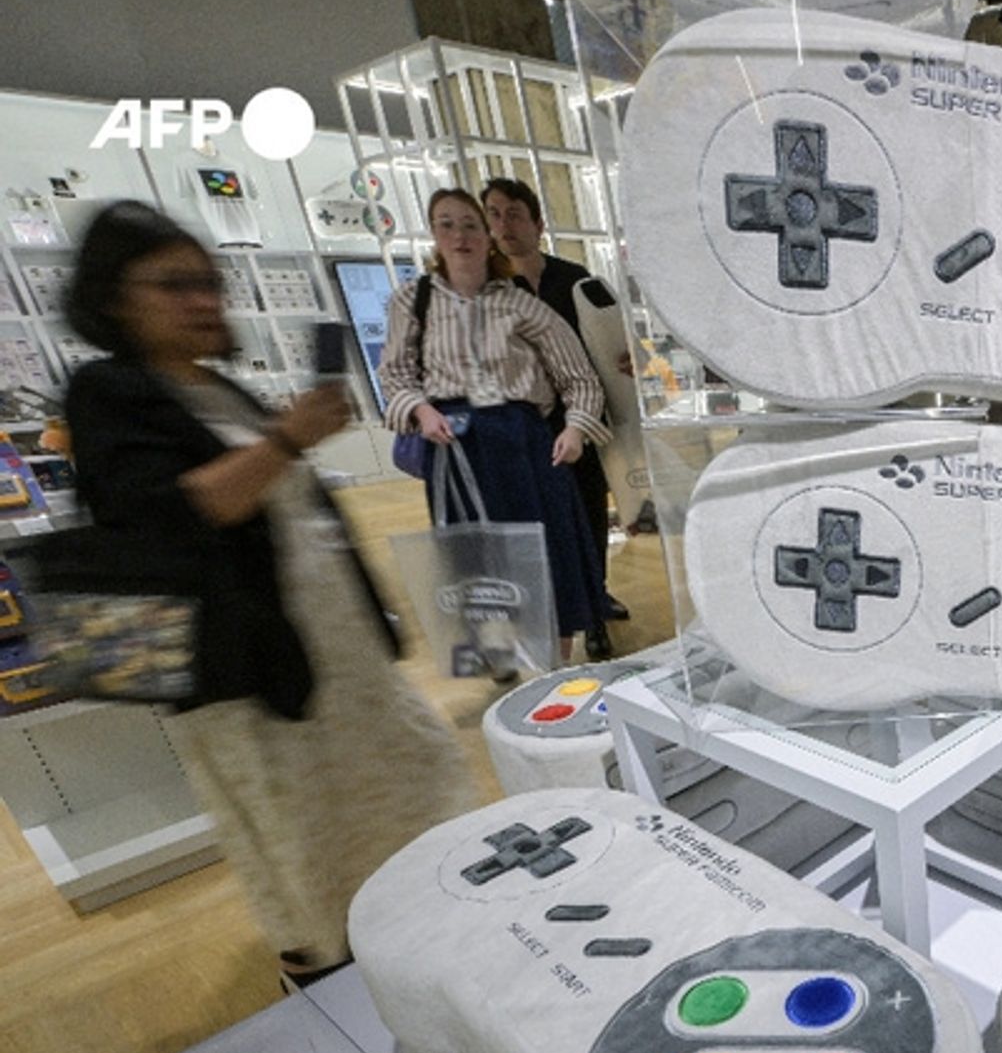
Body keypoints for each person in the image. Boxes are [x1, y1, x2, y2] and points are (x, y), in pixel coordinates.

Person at [61, 200, 479, 986]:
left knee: (405, 786)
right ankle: (328, 981)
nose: (202, 301)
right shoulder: (108, 392)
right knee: (302, 837)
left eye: (208, 282)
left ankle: (414, 939)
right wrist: (288, 435)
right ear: (114, 297)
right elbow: (187, 510)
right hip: (249, 672)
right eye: (174, 284)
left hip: (331, 651)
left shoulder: (212, 389)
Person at [378, 187, 612, 669]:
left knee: (548, 555)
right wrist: (421, 411)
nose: (460, 235)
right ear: (433, 234)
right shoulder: (412, 300)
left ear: (487, 237)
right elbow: (395, 374)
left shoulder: (518, 303)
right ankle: (499, 653)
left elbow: (579, 375)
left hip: (523, 442)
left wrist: (575, 430)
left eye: (470, 224)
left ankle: (553, 667)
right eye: (447, 224)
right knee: (476, 559)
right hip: (457, 447)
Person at [482, 177, 630, 660]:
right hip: (526, 424)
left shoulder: (574, 278)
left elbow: (609, 341)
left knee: (589, 512)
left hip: (582, 417)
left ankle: (594, 606)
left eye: (514, 214)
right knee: (541, 522)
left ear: (537, 223)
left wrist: (624, 359)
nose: (504, 225)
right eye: (495, 214)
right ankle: (551, 614)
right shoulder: (488, 290)